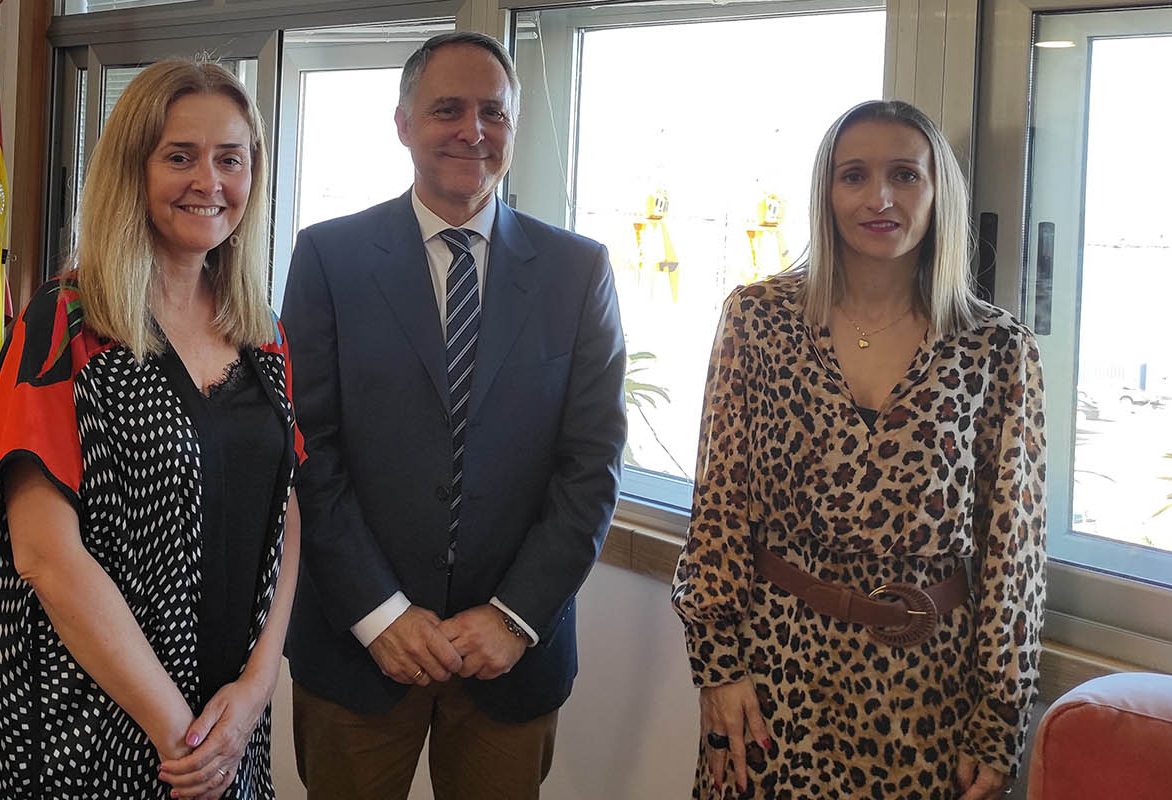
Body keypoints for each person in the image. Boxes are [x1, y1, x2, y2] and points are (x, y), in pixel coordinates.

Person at [280, 31, 627, 800]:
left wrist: (514, 618)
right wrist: (379, 613)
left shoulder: (578, 272)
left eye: (493, 112)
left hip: (510, 660)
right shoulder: (329, 258)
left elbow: (591, 465)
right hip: (357, 651)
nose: (474, 131)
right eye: (448, 110)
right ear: (403, 124)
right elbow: (309, 451)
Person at [671, 99, 1046, 800]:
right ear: (826, 191)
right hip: (775, 665)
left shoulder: (997, 349)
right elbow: (718, 506)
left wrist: (1000, 716)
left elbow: (1013, 554)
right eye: (854, 176)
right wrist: (717, 667)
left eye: (905, 174)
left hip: (927, 686)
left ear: (938, 192)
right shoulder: (758, 318)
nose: (879, 198)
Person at [0, 58, 305, 800]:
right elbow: (45, 556)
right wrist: (180, 736)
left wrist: (256, 687)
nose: (209, 181)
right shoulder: (64, 325)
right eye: (179, 156)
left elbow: (285, 506)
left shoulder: (262, 330)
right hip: (91, 728)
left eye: (230, 159)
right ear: (132, 169)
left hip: (227, 723)